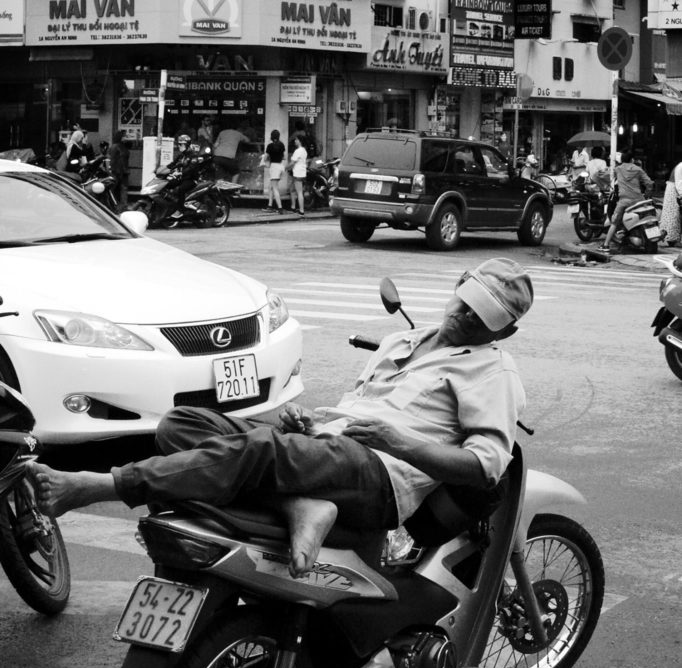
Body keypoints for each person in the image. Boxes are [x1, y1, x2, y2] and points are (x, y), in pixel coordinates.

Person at [29, 257, 532, 582]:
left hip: (379, 476)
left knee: (257, 451)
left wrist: (397, 441)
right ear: (458, 286)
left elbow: (485, 466)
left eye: (480, 317)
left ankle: (99, 486)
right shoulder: (404, 340)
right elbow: (357, 409)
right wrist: (309, 423)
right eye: (465, 303)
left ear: (503, 332)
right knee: (180, 425)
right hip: (332, 450)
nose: (463, 317)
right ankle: (300, 504)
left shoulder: (494, 371)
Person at [601, 148, 654, 252]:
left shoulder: (618, 169)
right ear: (632, 160)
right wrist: (647, 194)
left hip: (624, 201)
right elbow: (649, 183)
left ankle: (606, 245)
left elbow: (607, 177)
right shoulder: (638, 169)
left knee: (614, 222)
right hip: (639, 199)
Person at [659, 159, 682, 247]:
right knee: (673, 215)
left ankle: (672, 238)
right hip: (674, 190)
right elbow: (679, 182)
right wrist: (681, 195)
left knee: (675, 215)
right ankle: (673, 239)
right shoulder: (681, 166)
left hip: (677, 189)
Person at [264, 128, 286, 213]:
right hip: (281, 166)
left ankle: (280, 208)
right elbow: (284, 157)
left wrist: (266, 158)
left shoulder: (270, 146)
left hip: (274, 167)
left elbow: (265, 158)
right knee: (271, 187)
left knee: (275, 188)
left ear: (271, 137)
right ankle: (269, 205)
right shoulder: (282, 145)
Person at [288, 135, 308, 215]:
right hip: (301, 172)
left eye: (296, 140)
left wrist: (285, 167)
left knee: (299, 192)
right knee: (292, 189)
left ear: (300, 141)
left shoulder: (298, 151)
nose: (295, 141)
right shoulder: (304, 150)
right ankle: (293, 207)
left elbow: (292, 162)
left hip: (298, 173)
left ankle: (301, 210)